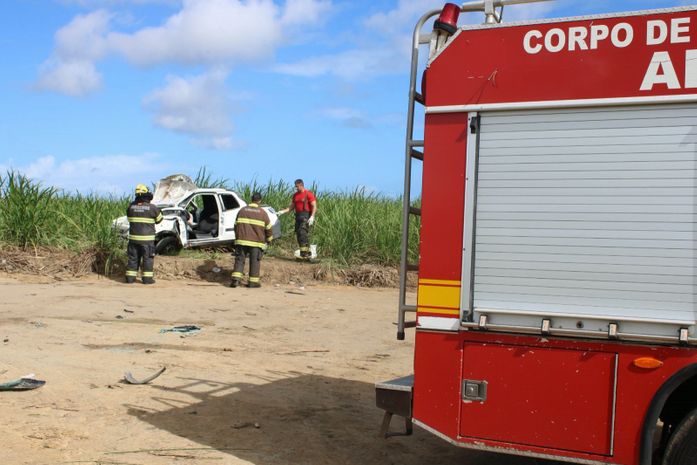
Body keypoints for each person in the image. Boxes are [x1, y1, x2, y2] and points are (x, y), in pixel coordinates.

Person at [230, 192, 273, 288]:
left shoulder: (242, 210)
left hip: (241, 241)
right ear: (260, 201)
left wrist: (237, 237)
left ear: (251, 199)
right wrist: (269, 239)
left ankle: (236, 280)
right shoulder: (263, 213)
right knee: (255, 261)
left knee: (239, 260)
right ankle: (253, 282)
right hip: (256, 243)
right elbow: (269, 228)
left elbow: (236, 226)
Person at [125, 184, 163, 284]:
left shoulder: (130, 207)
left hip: (133, 240)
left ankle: (130, 279)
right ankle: (147, 279)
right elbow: (159, 220)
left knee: (133, 259)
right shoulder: (152, 208)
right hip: (147, 241)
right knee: (147, 259)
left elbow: (129, 220)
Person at [278, 179, 317, 259]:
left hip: (306, 216)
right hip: (298, 217)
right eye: (295, 186)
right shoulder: (295, 195)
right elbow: (291, 207)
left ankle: (305, 254)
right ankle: (303, 254)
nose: (296, 188)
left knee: (303, 234)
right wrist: (282, 212)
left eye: (297, 186)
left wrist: (312, 216)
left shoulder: (308, 194)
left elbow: (314, 206)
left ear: (301, 185)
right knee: (299, 235)